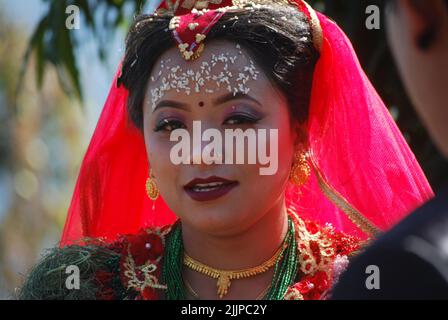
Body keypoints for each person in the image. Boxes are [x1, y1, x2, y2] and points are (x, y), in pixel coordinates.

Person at [18, 0, 433, 300]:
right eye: (170, 125)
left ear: (301, 132)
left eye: (238, 120)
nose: (200, 152)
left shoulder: (372, 284)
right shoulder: (80, 288)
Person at [331, 0, 448, 299]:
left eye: (239, 118)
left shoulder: (410, 266)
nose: (207, 147)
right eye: (188, 125)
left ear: (419, 12)